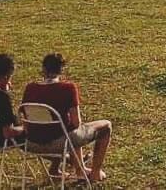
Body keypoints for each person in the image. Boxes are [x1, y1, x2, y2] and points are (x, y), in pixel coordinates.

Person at [22, 53, 112, 183]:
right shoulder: (67, 88)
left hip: (32, 143)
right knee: (105, 126)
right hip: (59, 142)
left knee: (68, 129)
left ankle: (79, 170)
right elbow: (76, 123)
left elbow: (25, 120)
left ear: (43, 69)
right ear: (61, 70)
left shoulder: (30, 88)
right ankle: (95, 172)